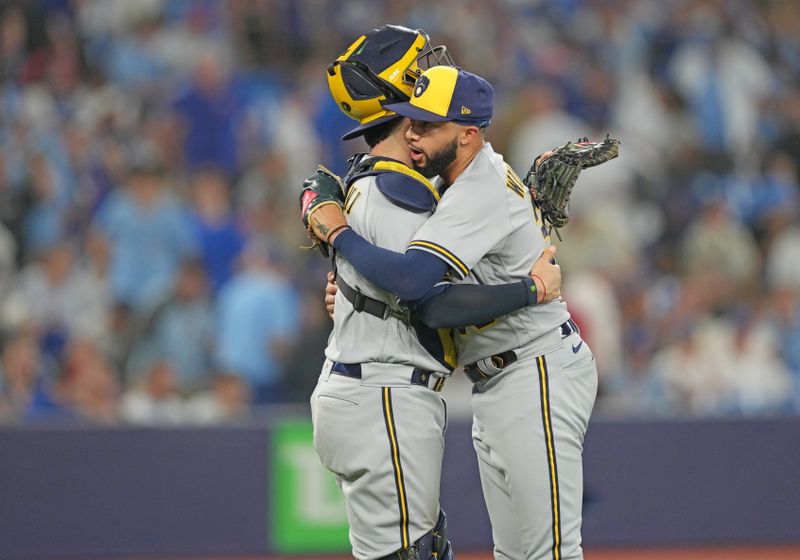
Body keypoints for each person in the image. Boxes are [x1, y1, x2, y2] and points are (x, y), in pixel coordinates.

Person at [308, 66, 598, 560]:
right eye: (411, 122)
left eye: (428, 125)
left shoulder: (475, 189)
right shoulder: (455, 183)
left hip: (537, 369)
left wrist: (338, 234)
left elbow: (424, 292)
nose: (413, 134)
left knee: (551, 553)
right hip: (500, 378)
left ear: (467, 134)